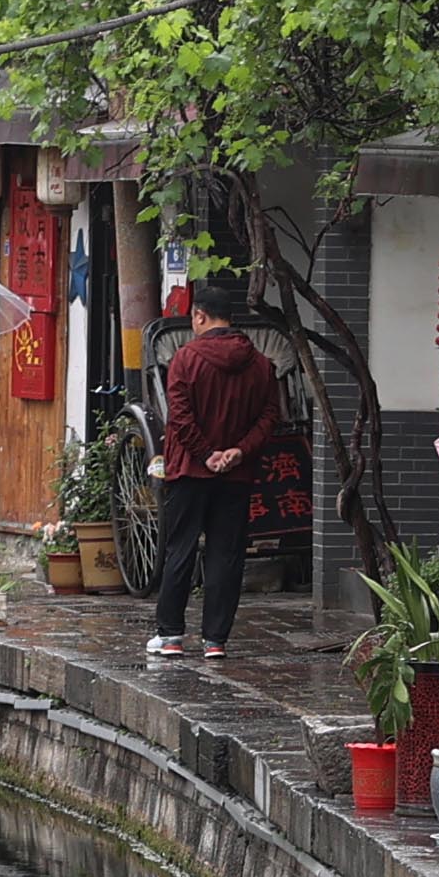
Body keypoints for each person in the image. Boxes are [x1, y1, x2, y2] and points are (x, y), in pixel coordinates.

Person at [148, 277, 280, 663]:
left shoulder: (185, 359)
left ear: (201, 316)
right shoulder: (260, 364)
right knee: (226, 554)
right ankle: (215, 640)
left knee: (181, 549)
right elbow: (270, 415)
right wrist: (238, 451)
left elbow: (180, 417)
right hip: (236, 474)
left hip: (190, 470)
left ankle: (171, 635)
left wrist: (205, 455)